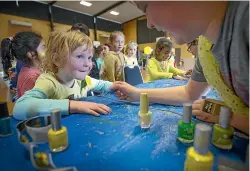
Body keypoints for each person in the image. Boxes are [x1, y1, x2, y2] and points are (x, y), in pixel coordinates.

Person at [115, 1, 249, 134]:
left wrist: (229, 117)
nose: (149, 24)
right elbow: (189, 94)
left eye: (145, 7)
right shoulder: (205, 46)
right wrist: (137, 94)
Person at [13, 30, 117, 120]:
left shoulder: (83, 80)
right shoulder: (49, 82)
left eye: (89, 58)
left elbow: (103, 84)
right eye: (80, 56)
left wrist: (119, 86)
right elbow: (20, 107)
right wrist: (73, 105)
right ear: (57, 60)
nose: (88, 64)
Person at [6, 32, 45, 98]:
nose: (48, 50)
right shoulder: (31, 78)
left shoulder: (30, 69)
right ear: (31, 54)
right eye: (44, 47)